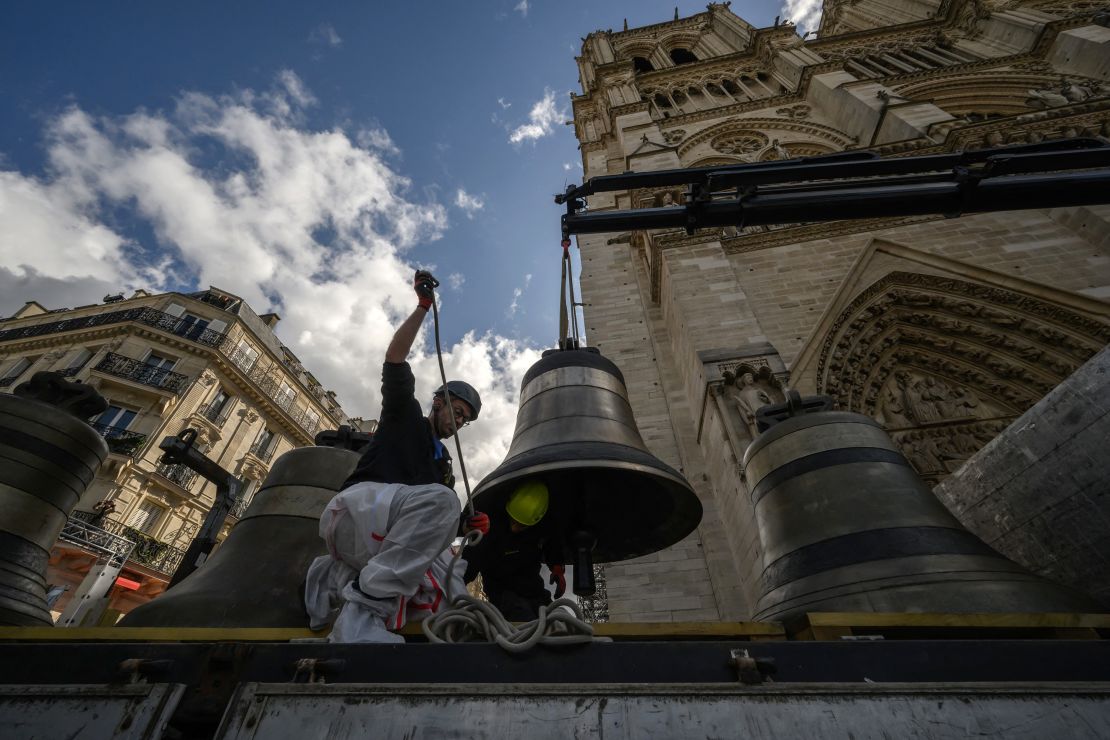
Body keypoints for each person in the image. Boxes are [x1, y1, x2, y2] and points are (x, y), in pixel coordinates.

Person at [304, 269, 489, 643]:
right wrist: (422, 308)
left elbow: (426, 527)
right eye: (456, 410)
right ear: (437, 402)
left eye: (465, 420)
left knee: (453, 575)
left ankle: (382, 615)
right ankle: (361, 616)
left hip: (383, 536)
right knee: (443, 500)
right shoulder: (404, 415)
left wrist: (465, 530)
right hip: (358, 510)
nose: (458, 421)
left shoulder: (443, 468)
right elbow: (395, 357)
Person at [464, 480, 566, 621]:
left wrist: (557, 566)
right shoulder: (491, 529)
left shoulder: (543, 527)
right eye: (512, 521)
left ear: (536, 521)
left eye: (521, 525)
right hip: (503, 596)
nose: (514, 528)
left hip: (534, 591)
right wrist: (451, 586)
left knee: (561, 619)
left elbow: (551, 543)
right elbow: (469, 563)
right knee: (525, 621)